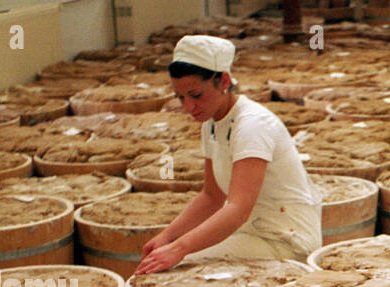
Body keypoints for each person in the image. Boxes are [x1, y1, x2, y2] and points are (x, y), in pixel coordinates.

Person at [135, 34, 322, 274]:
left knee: (177, 269)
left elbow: (238, 210)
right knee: (163, 262)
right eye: (180, 97)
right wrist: (168, 236)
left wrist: (179, 248)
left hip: (284, 238)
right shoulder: (212, 123)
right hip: (251, 231)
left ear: (223, 81)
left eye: (196, 95)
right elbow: (211, 196)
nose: (188, 107)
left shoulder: (253, 125)